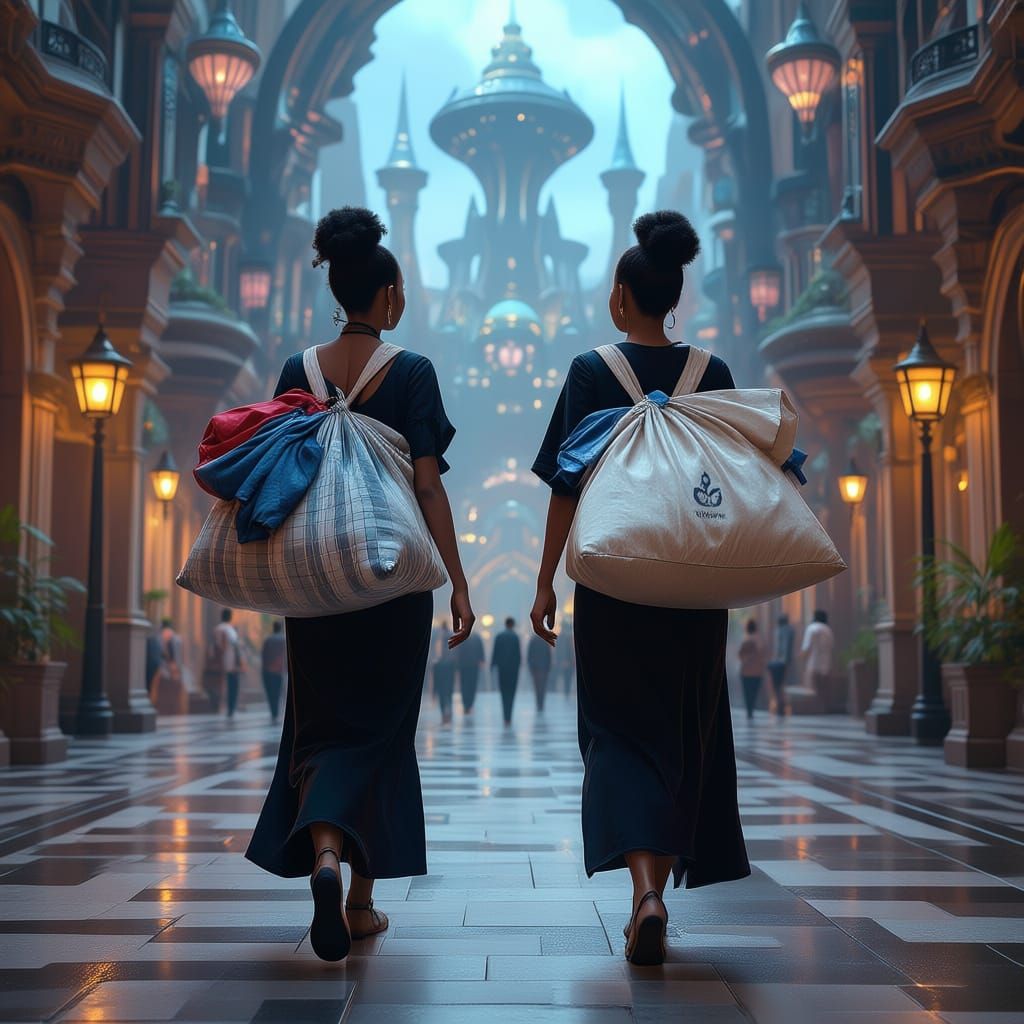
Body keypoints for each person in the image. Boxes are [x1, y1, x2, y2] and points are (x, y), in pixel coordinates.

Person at [245, 207, 475, 963]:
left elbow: (276, 476)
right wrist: (458, 583)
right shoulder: (410, 373)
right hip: (389, 585)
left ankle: (323, 858)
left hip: (314, 584)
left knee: (318, 724)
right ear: (385, 296)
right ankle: (360, 897)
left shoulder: (296, 372)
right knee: (380, 730)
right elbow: (429, 486)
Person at [530, 211, 750, 966]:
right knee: (680, 733)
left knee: (617, 734)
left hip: (615, 588)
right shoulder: (712, 374)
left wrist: (546, 579)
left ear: (622, 297)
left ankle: (643, 893)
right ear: (674, 296)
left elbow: (565, 485)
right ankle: (656, 895)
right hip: (695, 590)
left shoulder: (592, 373)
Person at [491, 617, 522, 726]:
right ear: (512, 625)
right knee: (511, 693)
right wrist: (519, 667)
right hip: (513, 670)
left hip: (502, 669)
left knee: (503, 692)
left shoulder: (499, 637)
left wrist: (492, 666)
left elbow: (495, 652)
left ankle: (505, 716)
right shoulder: (515, 637)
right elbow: (518, 655)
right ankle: (509, 716)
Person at [213, 608, 243, 718]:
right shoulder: (230, 630)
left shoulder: (217, 629)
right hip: (230, 662)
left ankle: (218, 706)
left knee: (219, 685)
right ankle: (231, 708)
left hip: (219, 661)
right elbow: (236, 646)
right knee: (233, 686)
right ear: (230, 617)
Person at [801, 609, 835, 694]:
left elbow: (806, 648)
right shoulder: (828, 630)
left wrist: (802, 663)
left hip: (813, 665)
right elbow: (831, 648)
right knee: (824, 693)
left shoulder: (811, 628)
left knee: (812, 693)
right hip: (826, 666)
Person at [737, 619, 765, 721]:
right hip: (758, 671)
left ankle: (749, 711)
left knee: (747, 692)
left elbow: (740, 655)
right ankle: (751, 710)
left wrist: (747, 659)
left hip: (746, 671)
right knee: (754, 692)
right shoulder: (760, 640)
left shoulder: (746, 640)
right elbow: (764, 655)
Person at [767, 613, 795, 717]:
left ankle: (779, 706)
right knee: (782, 684)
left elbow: (779, 647)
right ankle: (781, 706)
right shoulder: (791, 630)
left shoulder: (779, 630)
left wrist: (778, 659)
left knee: (777, 685)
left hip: (779, 662)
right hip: (785, 662)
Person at [261, 621, 286, 723]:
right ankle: (275, 712)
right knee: (277, 692)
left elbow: (264, 655)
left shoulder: (268, 640)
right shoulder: (284, 639)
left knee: (271, 692)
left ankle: (273, 712)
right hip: (278, 670)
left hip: (268, 670)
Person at [433, 621, 457, 726]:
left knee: (442, 696)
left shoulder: (439, 637)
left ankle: (444, 714)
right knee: (448, 695)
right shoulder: (450, 636)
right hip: (448, 672)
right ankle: (449, 713)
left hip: (442, 673)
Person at [456, 629, 485, 715]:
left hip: (464, 665)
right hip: (473, 665)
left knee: (464, 685)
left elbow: (458, 652)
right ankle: (469, 704)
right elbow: (481, 650)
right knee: (472, 685)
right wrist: (482, 660)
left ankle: (466, 704)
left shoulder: (462, 636)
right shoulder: (477, 637)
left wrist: (457, 665)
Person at [527, 631, 553, 713]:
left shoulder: (533, 641)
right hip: (544, 669)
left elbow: (529, 655)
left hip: (535, 669)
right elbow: (548, 656)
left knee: (537, 687)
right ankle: (541, 703)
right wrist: (548, 668)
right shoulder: (545, 641)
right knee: (543, 687)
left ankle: (538, 703)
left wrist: (530, 668)